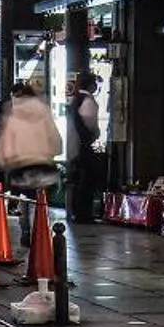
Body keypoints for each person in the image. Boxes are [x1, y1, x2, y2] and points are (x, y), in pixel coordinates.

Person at [0, 78, 63, 200]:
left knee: (19, 186)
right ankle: (32, 210)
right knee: (33, 191)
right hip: (35, 158)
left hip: (20, 158)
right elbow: (52, 133)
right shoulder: (42, 110)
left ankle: (15, 206)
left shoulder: (15, 111)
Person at [66, 72, 103, 224]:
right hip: (83, 146)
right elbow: (89, 124)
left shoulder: (75, 99)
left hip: (74, 146)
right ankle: (83, 213)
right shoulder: (87, 100)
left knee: (78, 180)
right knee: (87, 180)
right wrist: (94, 134)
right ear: (91, 85)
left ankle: (76, 211)